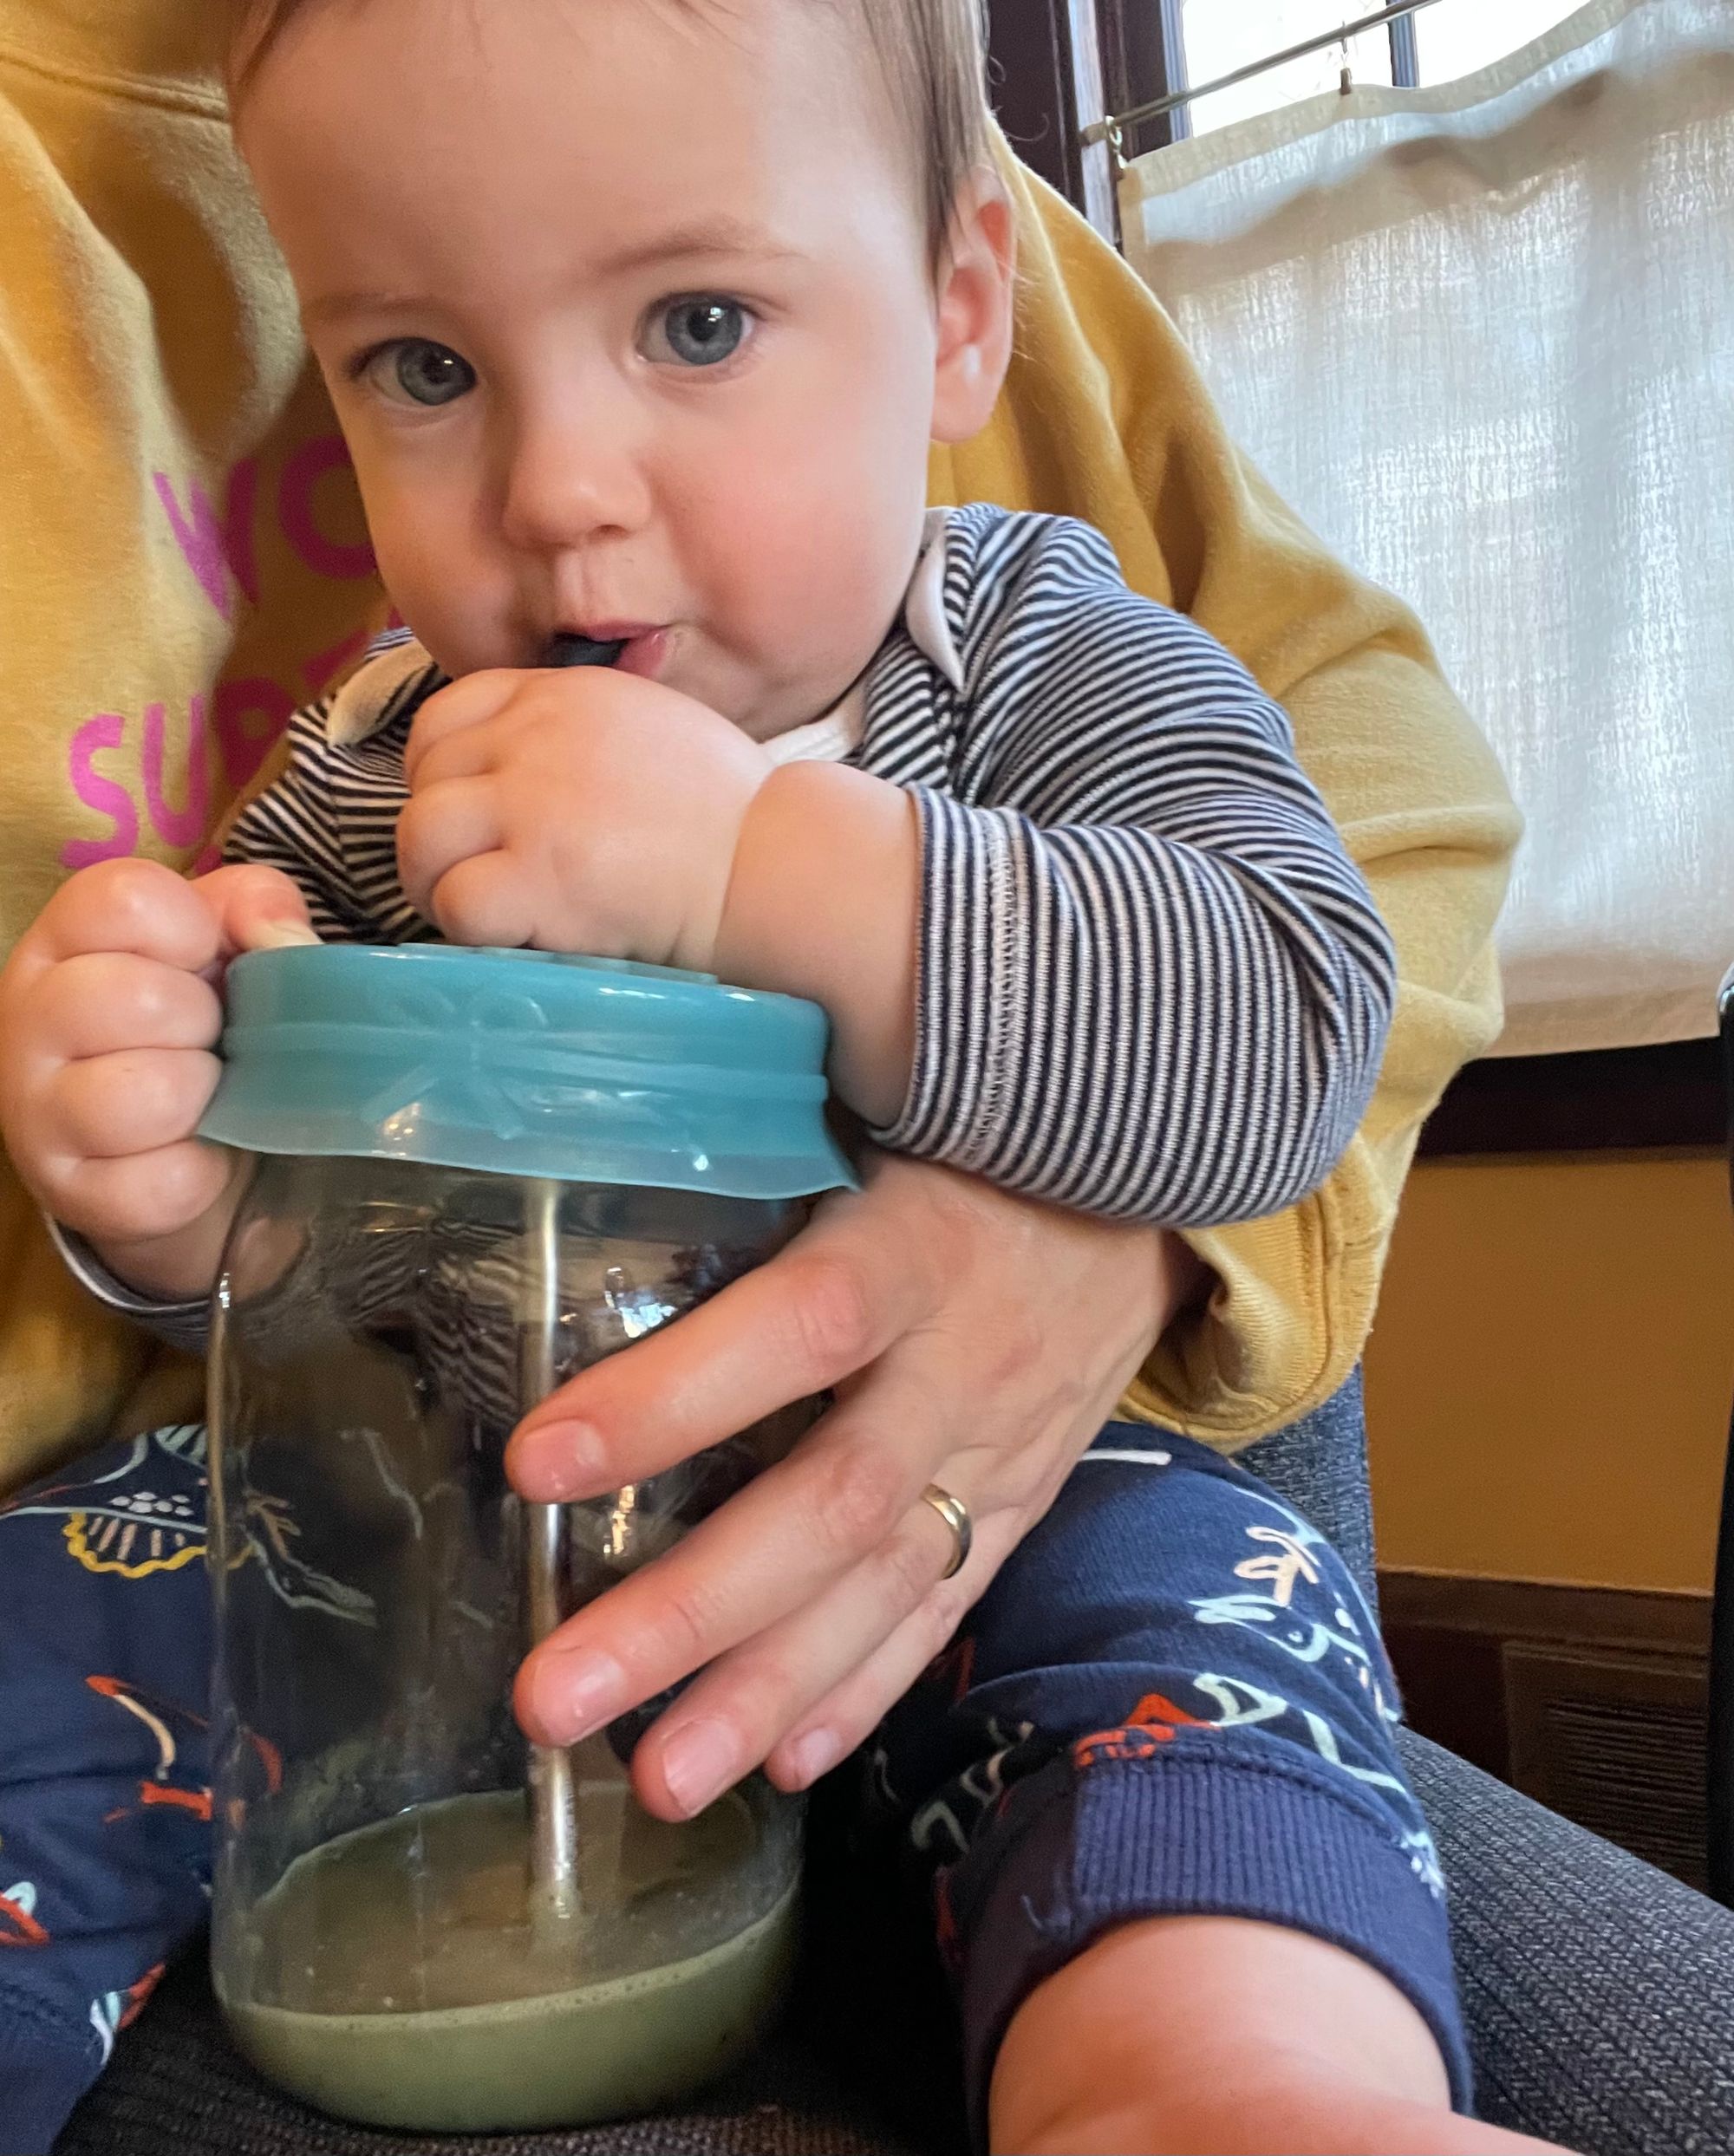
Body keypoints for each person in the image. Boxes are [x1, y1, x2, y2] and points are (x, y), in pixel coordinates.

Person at [0, 4, 1567, 2155]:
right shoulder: (378, 767)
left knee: (1194, 1637)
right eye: (425, 370)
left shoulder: (1045, 657)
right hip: (438, 1555)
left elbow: (1286, 1030)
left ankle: (1221, 2085)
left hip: (987, 1531)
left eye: (700, 321)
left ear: (952, 318)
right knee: (80, 1566)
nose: (554, 493)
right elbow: (283, 1243)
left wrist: (760, 861)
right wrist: (162, 1172)